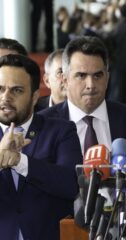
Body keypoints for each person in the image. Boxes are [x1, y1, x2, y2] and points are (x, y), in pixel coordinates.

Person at [0, 54, 82, 239]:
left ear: (35, 96)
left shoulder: (61, 131)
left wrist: (20, 161)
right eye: (0, 89)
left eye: (17, 90)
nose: (5, 97)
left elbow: (71, 185)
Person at [39, 36, 126, 155]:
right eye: (81, 75)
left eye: (97, 76)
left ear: (107, 79)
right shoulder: (42, 125)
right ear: (65, 80)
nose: (90, 85)